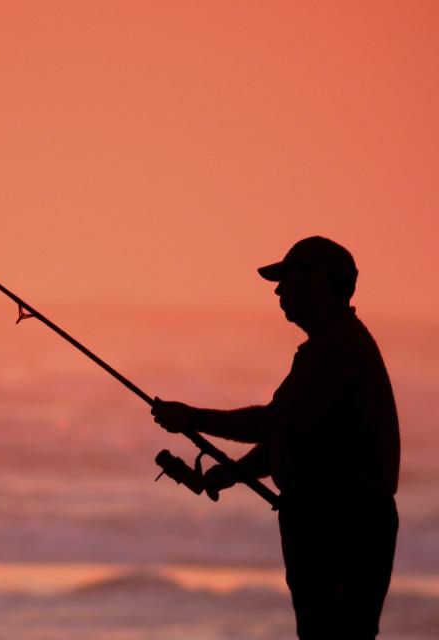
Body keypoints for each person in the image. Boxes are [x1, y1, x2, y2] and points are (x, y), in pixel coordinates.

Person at [151, 236, 400, 640]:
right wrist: (233, 473)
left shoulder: (336, 350)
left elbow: (276, 423)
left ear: (320, 281)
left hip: (340, 525)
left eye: (288, 279)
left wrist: (191, 418)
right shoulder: (336, 345)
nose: (279, 290)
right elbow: (297, 432)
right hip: (337, 520)